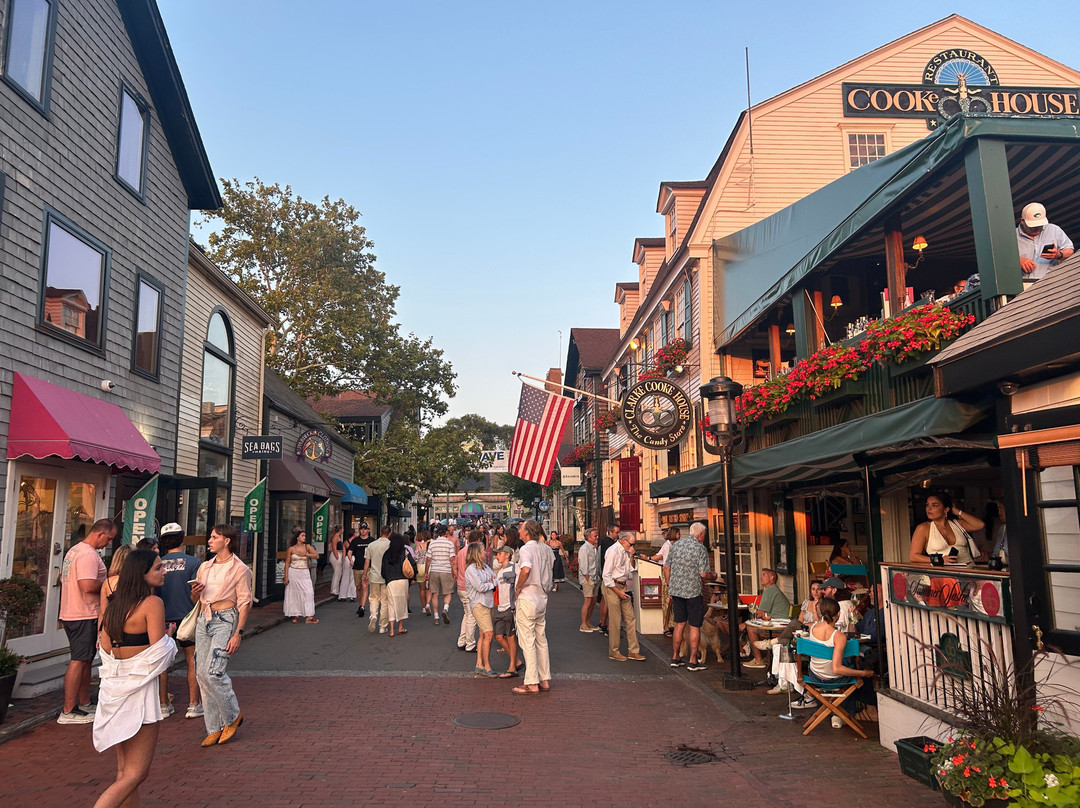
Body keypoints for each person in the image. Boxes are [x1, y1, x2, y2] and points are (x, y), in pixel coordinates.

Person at [92, 550, 176, 808]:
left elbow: (105, 649)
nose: (164, 572)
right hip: (140, 693)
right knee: (136, 773)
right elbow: (159, 652)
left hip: (113, 691)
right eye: (158, 568)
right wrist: (170, 636)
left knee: (124, 772)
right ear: (142, 574)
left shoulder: (114, 605)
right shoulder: (152, 604)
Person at [190, 524, 251, 746]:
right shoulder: (205, 567)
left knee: (214, 672)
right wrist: (194, 594)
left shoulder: (240, 569)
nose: (210, 540)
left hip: (226, 619)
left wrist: (238, 633)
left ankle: (232, 717)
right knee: (201, 674)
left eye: (214, 537)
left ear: (226, 541)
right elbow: (195, 601)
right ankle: (214, 727)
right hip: (203, 618)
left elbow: (245, 602)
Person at [58, 518, 116, 725]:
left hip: (74, 611)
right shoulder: (87, 555)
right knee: (78, 659)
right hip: (83, 613)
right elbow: (87, 585)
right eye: (108, 539)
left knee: (85, 659)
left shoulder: (75, 551)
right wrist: (110, 584)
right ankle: (68, 710)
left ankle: (83, 702)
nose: (108, 544)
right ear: (100, 533)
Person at [806, 596, 877, 726]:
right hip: (832, 677)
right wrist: (862, 674)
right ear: (838, 614)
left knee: (851, 667)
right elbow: (837, 669)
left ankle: (838, 712)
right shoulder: (838, 636)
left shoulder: (813, 629)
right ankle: (844, 713)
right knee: (857, 671)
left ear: (821, 612)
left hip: (814, 676)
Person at [158, 523, 203, 720]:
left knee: (162, 664)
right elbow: (198, 592)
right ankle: (194, 705)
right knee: (192, 660)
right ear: (182, 539)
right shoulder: (193, 563)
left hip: (162, 619)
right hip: (187, 617)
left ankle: (163, 704)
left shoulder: (157, 563)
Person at [512, 520, 554, 694]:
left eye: (521, 529)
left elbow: (526, 569)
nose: (519, 532)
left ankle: (531, 682)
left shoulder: (526, 549)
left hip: (528, 596)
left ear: (527, 532)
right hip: (542, 597)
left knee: (527, 640)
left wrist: (518, 586)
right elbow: (551, 566)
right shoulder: (546, 548)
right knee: (541, 639)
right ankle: (544, 679)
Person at [666, 522, 716, 670]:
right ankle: (693, 660)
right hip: (693, 592)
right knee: (694, 625)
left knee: (679, 624)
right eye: (704, 536)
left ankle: (675, 657)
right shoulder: (700, 548)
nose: (703, 538)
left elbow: (667, 566)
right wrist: (713, 576)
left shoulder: (677, 545)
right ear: (701, 535)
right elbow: (703, 574)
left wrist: (670, 585)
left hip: (676, 591)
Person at [601, 530, 647, 662]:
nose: (632, 547)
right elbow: (606, 575)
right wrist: (618, 591)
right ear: (622, 540)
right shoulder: (612, 551)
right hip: (612, 586)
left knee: (630, 618)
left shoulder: (626, 552)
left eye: (634, 544)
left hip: (623, 585)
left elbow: (632, 570)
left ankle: (633, 651)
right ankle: (614, 651)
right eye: (631, 544)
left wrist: (632, 557)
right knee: (615, 620)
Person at [909, 491, 985, 566]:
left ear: (946, 509)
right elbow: (913, 556)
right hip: (944, 574)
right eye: (927, 505)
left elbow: (980, 525)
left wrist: (956, 511)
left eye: (934, 505)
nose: (929, 509)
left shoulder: (957, 523)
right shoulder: (923, 528)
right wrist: (939, 560)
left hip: (969, 570)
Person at [742, 569, 791, 669]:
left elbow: (759, 613)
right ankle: (767, 657)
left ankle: (759, 659)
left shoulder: (770, 590)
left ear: (772, 578)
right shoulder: (772, 590)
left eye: (764, 575)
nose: (761, 577)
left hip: (778, 627)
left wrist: (746, 622)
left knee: (750, 629)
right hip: (782, 624)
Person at [1016, 202, 1073, 284]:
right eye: (1032, 226)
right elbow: (1001, 259)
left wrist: (1059, 254)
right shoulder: (1012, 236)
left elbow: (1070, 251)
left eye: (1040, 225)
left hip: (1050, 284)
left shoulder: (1054, 230)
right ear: (1023, 221)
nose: (1037, 228)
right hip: (1022, 286)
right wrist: (1017, 261)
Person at [464, 542, 497, 676]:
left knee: (483, 634)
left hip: (488, 602)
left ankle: (479, 663)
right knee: (489, 634)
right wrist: (490, 584)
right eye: (483, 551)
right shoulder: (471, 570)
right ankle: (487, 666)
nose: (486, 553)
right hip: (479, 604)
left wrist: (490, 583)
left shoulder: (484, 567)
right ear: (477, 553)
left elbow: (495, 577)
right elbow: (480, 587)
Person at [491, 544, 521, 678]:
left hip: (509, 607)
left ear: (507, 555)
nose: (497, 556)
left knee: (510, 637)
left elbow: (518, 585)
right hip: (499, 606)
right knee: (498, 636)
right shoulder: (500, 572)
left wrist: (515, 605)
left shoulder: (514, 567)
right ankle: (516, 661)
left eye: (499, 554)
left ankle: (512, 667)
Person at [454, 531, 483, 653]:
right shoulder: (473, 552)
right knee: (472, 616)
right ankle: (470, 643)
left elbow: (454, 566)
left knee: (466, 615)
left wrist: (457, 577)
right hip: (470, 588)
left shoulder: (461, 551)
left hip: (461, 586)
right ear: (477, 540)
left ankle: (462, 640)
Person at [283, 527, 319, 624]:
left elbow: (316, 555)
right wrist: (286, 576)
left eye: (305, 536)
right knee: (295, 593)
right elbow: (287, 563)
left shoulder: (307, 547)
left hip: (304, 572)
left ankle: (309, 615)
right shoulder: (291, 549)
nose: (304, 537)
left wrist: (307, 555)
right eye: (302, 536)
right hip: (293, 572)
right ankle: (296, 614)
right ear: (297, 537)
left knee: (308, 592)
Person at [380, 532, 411, 637]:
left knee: (391, 604)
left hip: (391, 581)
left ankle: (392, 630)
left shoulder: (386, 554)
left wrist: (387, 579)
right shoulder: (405, 552)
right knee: (402, 603)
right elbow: (412, 566)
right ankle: (400, 627)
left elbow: (383, 570)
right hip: (403, 580)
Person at [425, 525, 457, 625]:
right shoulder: (450, 544)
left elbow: (428, 559)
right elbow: (452, 560)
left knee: (435, 594)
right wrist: (455, 572)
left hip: (434, 570)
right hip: (446, 570)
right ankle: (445, 608)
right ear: (446, 533)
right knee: (447, 593)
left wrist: (426, 572)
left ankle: (436, 616)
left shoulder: (432, 544)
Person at [364, 526, 392, 633]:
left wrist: (365, 574)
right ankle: (382, 626)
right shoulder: (390, 545)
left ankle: (373, 615)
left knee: (374, 598)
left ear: (380, 532)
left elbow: (367, 561)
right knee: (385, 601)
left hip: (374, 575)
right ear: (389, 534)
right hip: (386, 576)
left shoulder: (371, 545)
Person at [652, 526, 679, 636]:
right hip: (669, 576)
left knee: (673, 602)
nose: (679, 536)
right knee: (668, 602)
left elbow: (659, 556)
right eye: (678, 534)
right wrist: (668, 582)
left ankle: (671, 623)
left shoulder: (673, 545)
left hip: (674, 575)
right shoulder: (668, 546)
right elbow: (667, 565)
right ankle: (666, 626)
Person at [596, 524, 619, 634]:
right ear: (610, 532)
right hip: (609, 576)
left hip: (605, 574)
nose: (618, 535)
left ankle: (602, 623)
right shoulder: (610, 544)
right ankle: (607, 626)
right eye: (616, 532)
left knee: (604, 600)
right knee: (608, 602)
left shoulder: (604, 542)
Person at [577, 528, 600, 632]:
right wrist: (587, 579)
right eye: (595, 536)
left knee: (593, 600)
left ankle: (588, 622)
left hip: (595, 577)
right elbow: (583, 565)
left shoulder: (594, 548)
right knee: (588, 600)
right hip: (588, 578)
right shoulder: (584, 548)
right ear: (589, 537)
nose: (597, 537)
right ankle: (583, 624)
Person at [348, 524, 373, 617]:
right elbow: (349, 552)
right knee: (358, 587)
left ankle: (362, 606)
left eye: (365, 529)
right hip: (357, 566)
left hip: (368, 567)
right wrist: (350, 560)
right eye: (361, 529)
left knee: (365, 586)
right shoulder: (355, 541)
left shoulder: (371, 541)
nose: (363, 531)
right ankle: (360, 604)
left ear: (368, 530)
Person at [413, 530, 431, 614]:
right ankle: (428, 604)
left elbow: (415, 558)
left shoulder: (419, 546)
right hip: (429, 567)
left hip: (420, 567)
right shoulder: (430, 545)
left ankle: (423, 607)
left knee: (422, 589)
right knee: (429, 588)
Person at [327, 525, 344, 599]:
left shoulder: (338, 537)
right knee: (337, 573)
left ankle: (335, 589)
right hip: (336, 555)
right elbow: (334, 547)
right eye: (342, 528)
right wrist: (337, 556)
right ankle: (334, 590)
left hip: (339, 554)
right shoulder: (335, 537)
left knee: (338, 573)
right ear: (340, 530)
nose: (343, 530)